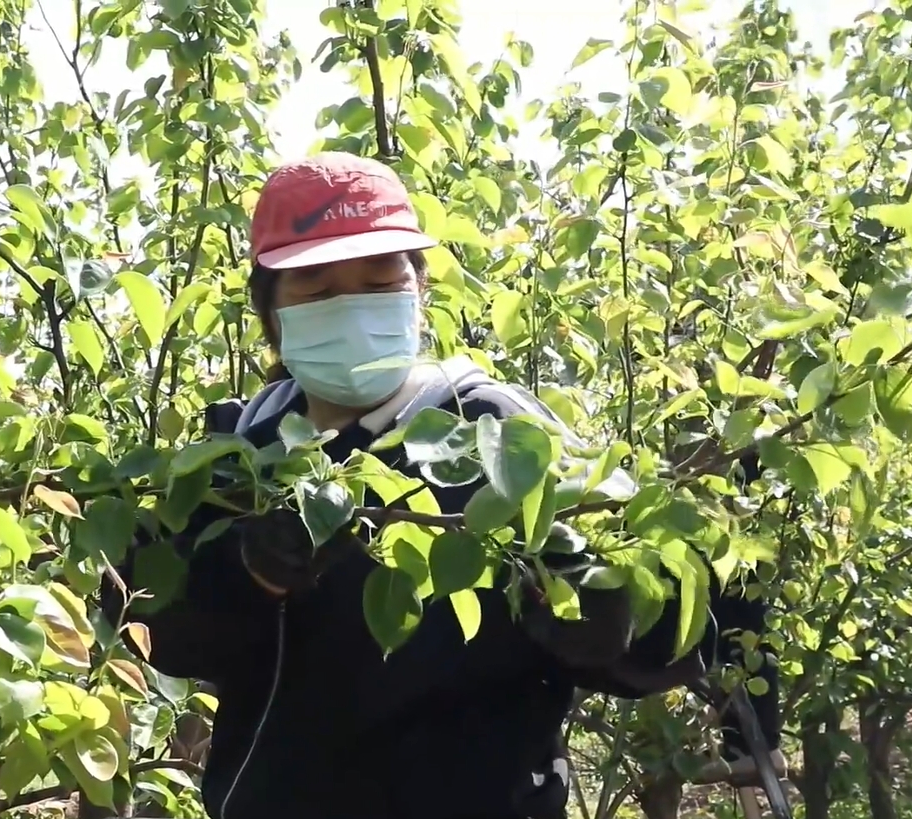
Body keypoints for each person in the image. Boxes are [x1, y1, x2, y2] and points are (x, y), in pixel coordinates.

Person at [98, 152, 777, 819]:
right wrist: (245, 574)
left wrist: (616, 621)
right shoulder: (238, 451)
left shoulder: (498, 435)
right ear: (269, 310)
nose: (351, 309)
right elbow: (155, 624)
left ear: (420, 290)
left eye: (379, 281)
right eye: (317, 289)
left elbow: (681, 605)